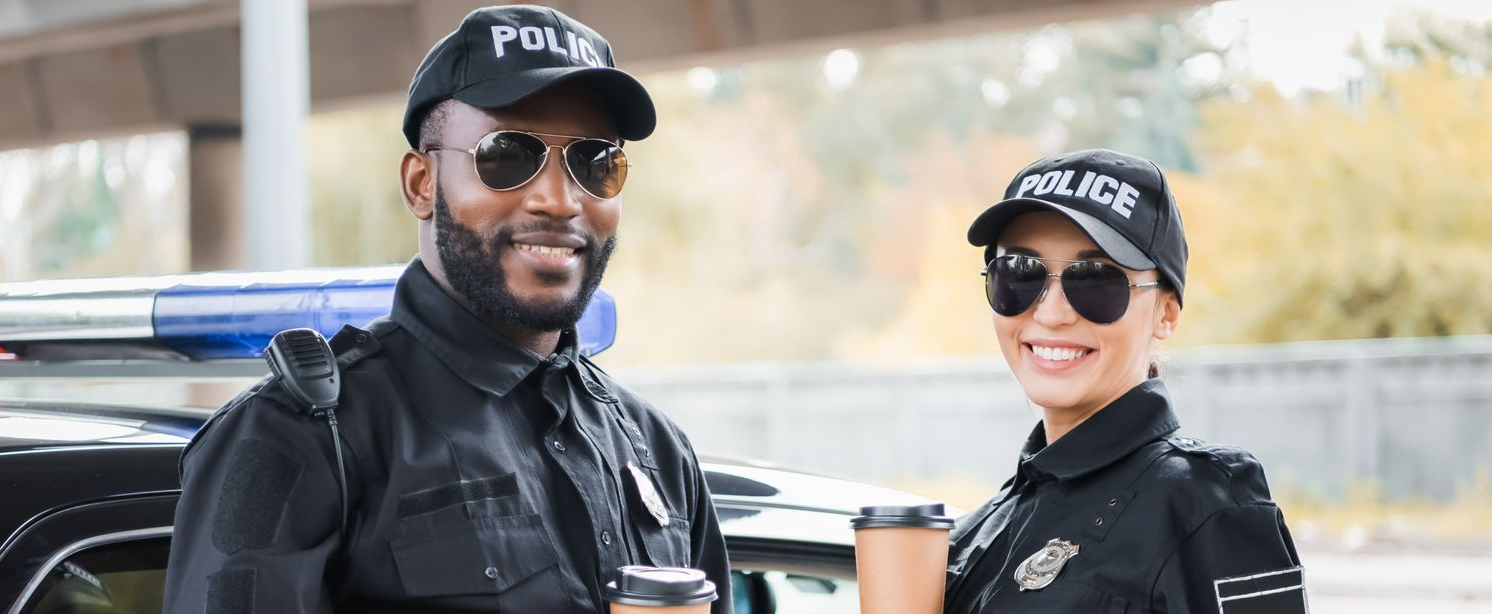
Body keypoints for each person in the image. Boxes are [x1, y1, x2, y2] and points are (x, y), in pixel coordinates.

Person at [163, 6, 732, 613]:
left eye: (595, 162)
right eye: (508, 155)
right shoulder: (293, 437)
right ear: (420, 184)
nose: (560, 200)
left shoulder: (656, 449)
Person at [943, 149, 1306, 613]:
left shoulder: (1206, 507)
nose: (1051, 314)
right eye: (1019, 273)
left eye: (1096, 280)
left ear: (1166, 313)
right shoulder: (977, 532)